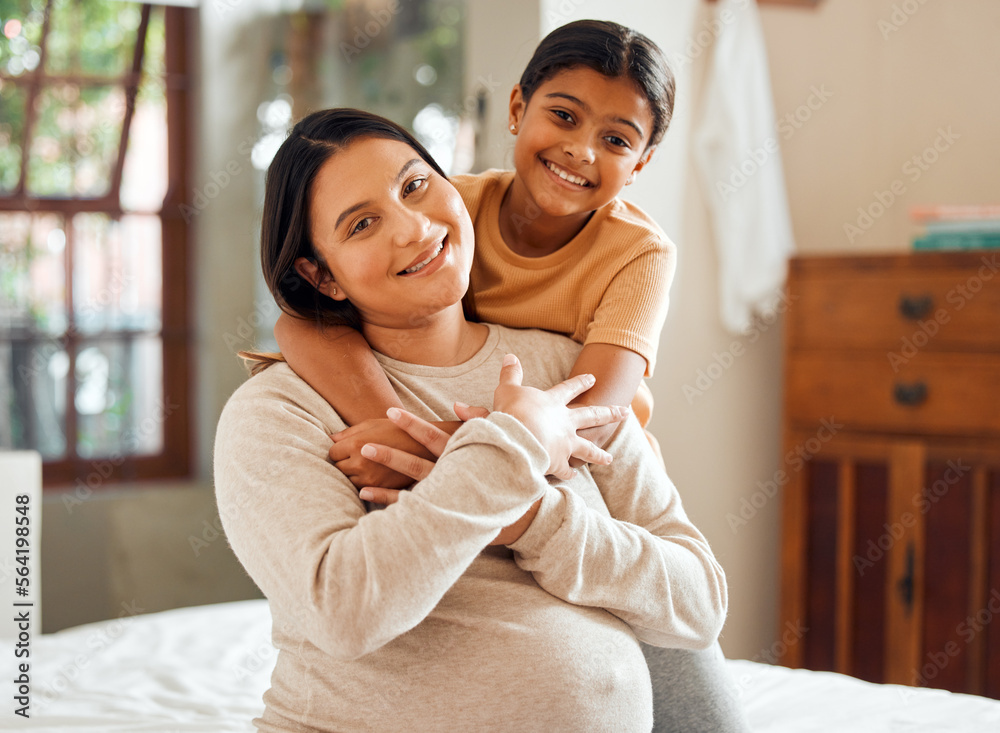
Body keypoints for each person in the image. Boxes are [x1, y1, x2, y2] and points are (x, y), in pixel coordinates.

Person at [214, 108, 738, 732]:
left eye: (414, 186)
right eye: (362, 225)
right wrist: (513, 447)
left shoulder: (563, 370)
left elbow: (699, 603)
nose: (413, 228)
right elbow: (342, 611)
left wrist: (532, 523)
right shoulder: (278, 411)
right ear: (322, 276)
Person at [273, 19, 677, 491]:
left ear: (640, 164)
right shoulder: (447, 211)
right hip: (507, 429)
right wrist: (393, 426)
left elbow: (593, 416)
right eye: (564, 116)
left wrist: (426, 445)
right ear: (516, 109)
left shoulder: (640, 253)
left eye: (616, 141)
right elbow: (302, 324)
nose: (580, 150)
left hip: (589, 451)